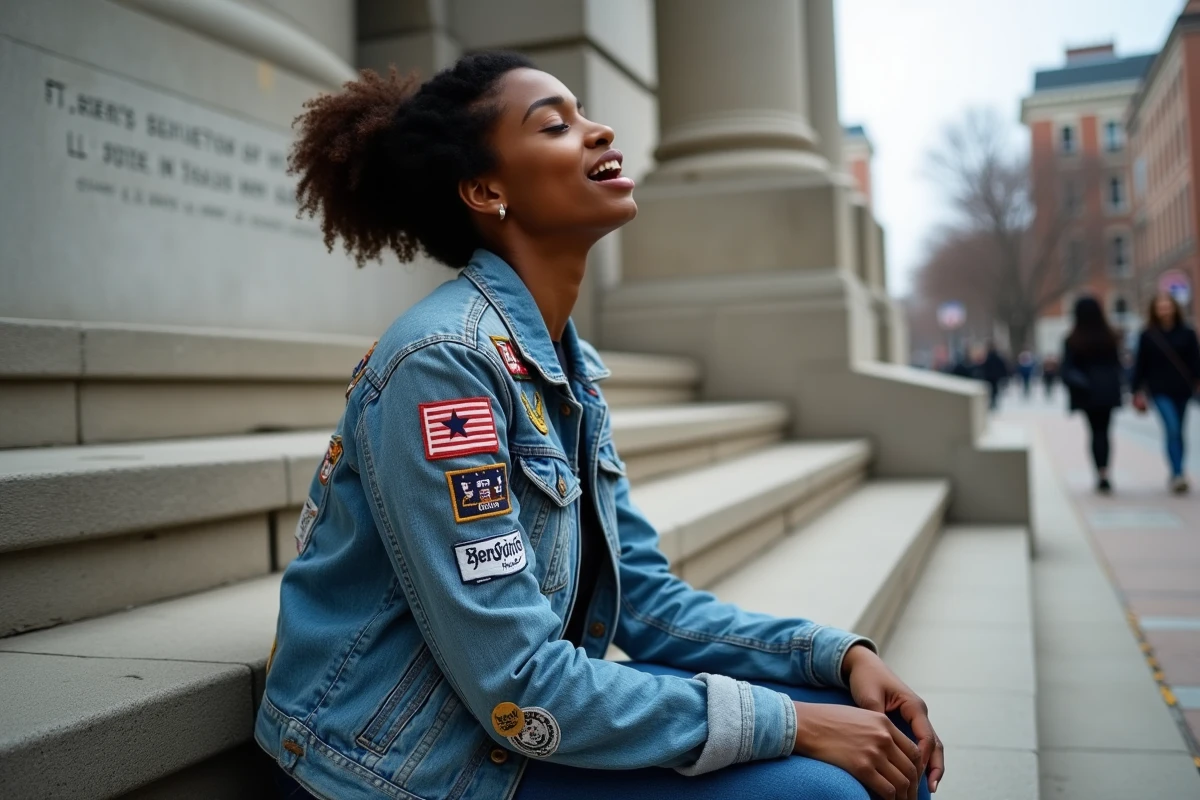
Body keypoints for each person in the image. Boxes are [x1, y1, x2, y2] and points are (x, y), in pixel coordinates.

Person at [256, 54, 942, 800]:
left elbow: (643, 602)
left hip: (502, 722)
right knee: (831, 789)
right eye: (555, 125)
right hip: (403, 763)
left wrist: (834, 656)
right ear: (487, 190)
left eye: (583, 113)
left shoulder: (561, 366)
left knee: (881, 733)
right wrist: (791, 723)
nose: (599, 130)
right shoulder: (442, 365)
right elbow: (520, 684)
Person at [1131, 292, 1200, 493]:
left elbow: (1195, 360)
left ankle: (1178, 470)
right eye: (1160, 307)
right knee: (1172, 428)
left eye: (1167, 306)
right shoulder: (1148, 335)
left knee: (1179, 430)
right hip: (1159, 390)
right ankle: (1177, 473)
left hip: (1183, 389)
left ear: (1174, 308)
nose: (1164, 311)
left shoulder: (1187, 333)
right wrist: (1136, 390)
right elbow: (1140, 364)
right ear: (1154, 310)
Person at [1062, 297, 1124, 493]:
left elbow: (1066, 368)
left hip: (1086, 392)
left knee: (1094, 432)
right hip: (1107, 390)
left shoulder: (1073, 339)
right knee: (1104, 432)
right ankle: (1105, 471)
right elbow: (1117, 365)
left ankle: (1099, 472)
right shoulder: (1110, 336)